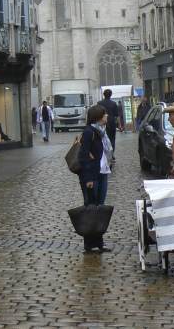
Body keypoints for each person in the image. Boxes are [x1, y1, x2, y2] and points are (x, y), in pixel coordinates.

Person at [77, 104, 113, 253]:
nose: (107, 116)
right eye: (104, 114)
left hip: (102, 173)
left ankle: (99, 242)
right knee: (90, 208)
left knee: (99, 209)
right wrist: (89, 179)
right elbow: (83, 156)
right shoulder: (89, 132)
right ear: (98, 117)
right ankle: (89, 243)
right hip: (92, 176)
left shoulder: (102, 132)